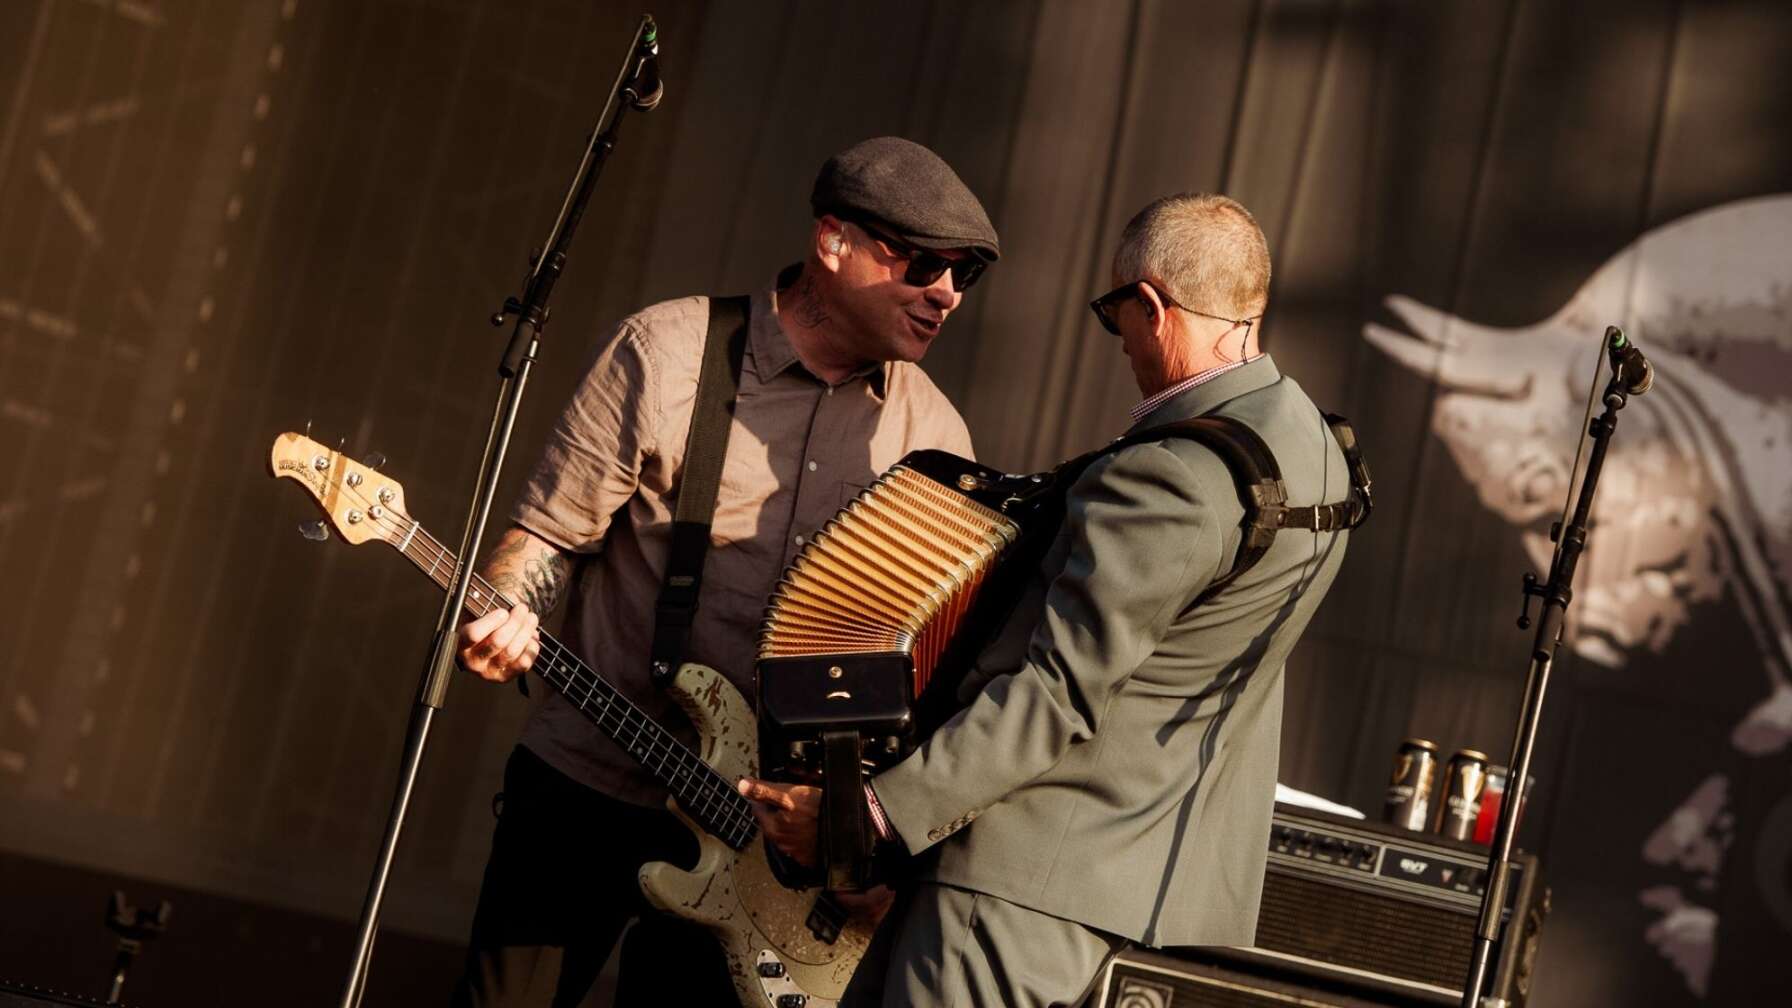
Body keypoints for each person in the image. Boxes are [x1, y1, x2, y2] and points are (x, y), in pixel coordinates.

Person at [742, 193, 1354, 1006]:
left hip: (1023, 896)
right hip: (1165, 903)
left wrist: (875, 815)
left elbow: (1059, 690)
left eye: (1116, 315)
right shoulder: (1320, 454)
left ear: (1152, 306)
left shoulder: (1167, 475)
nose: (1123, 343)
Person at [448, 136, 1000, 1008]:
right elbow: (549, 538)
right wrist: (505, 611)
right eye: (925, 263)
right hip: (588, 784)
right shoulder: (667, 351)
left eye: (966, 277)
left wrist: (867, 842)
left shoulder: (936, 442)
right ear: (833, 242)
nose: (945, 295)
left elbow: (922, 675)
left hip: (765, 850)